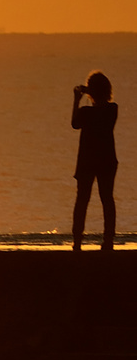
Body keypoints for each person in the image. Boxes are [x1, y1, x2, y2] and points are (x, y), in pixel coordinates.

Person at [70, 71, 118, 251]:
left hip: (88, 161)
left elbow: (75, 124)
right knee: (107, 199)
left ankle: (77, 240)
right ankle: (108, 239)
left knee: (82, 200)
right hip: (107, 160)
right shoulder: (112, 110)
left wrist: (77, 99)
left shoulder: (86, 112)